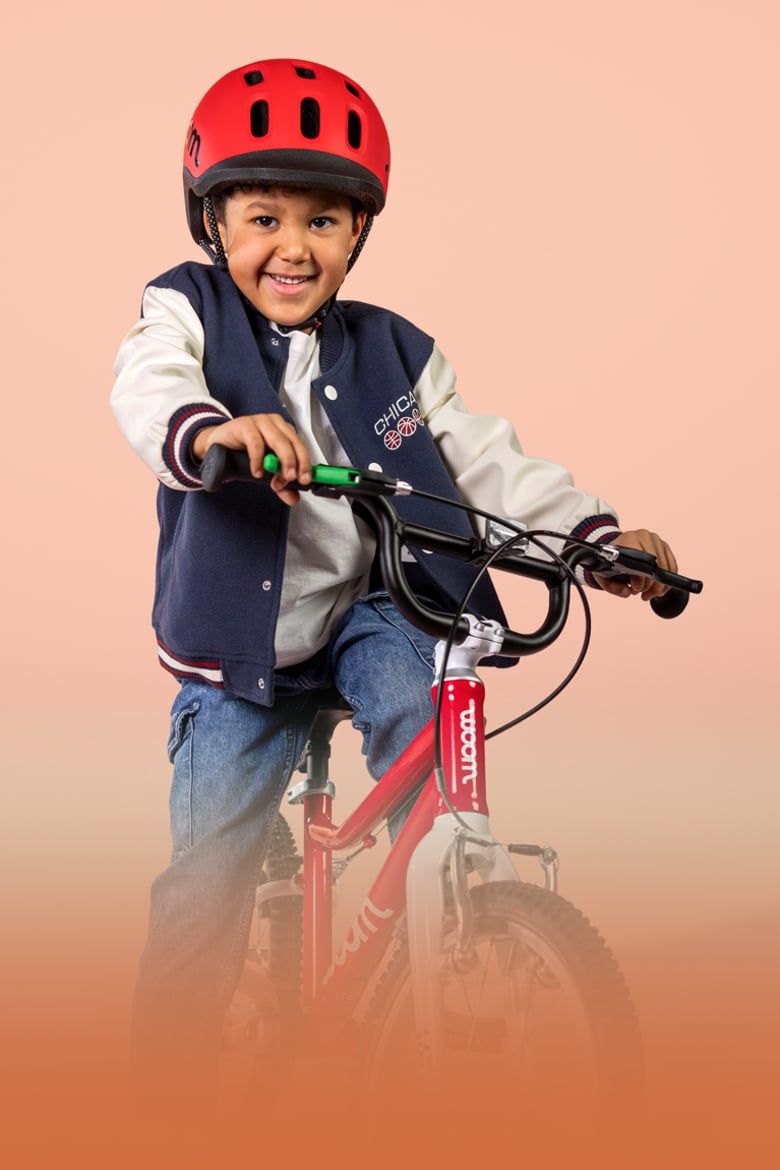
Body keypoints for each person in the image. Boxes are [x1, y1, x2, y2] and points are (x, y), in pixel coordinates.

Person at [111, 57, 677, 1120]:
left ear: (359, 233)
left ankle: (443, 939)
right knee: (207, 881)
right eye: (264, 218)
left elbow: (485, 459)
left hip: (378, 607)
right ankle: (162, 1104)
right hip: (242, 645)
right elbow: (151, 388)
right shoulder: (183, 311)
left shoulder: (395, 351)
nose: (293, 246)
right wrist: (211, 432)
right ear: (212, 224)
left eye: (325, 222)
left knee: (426, 709)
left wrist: (596, 538)